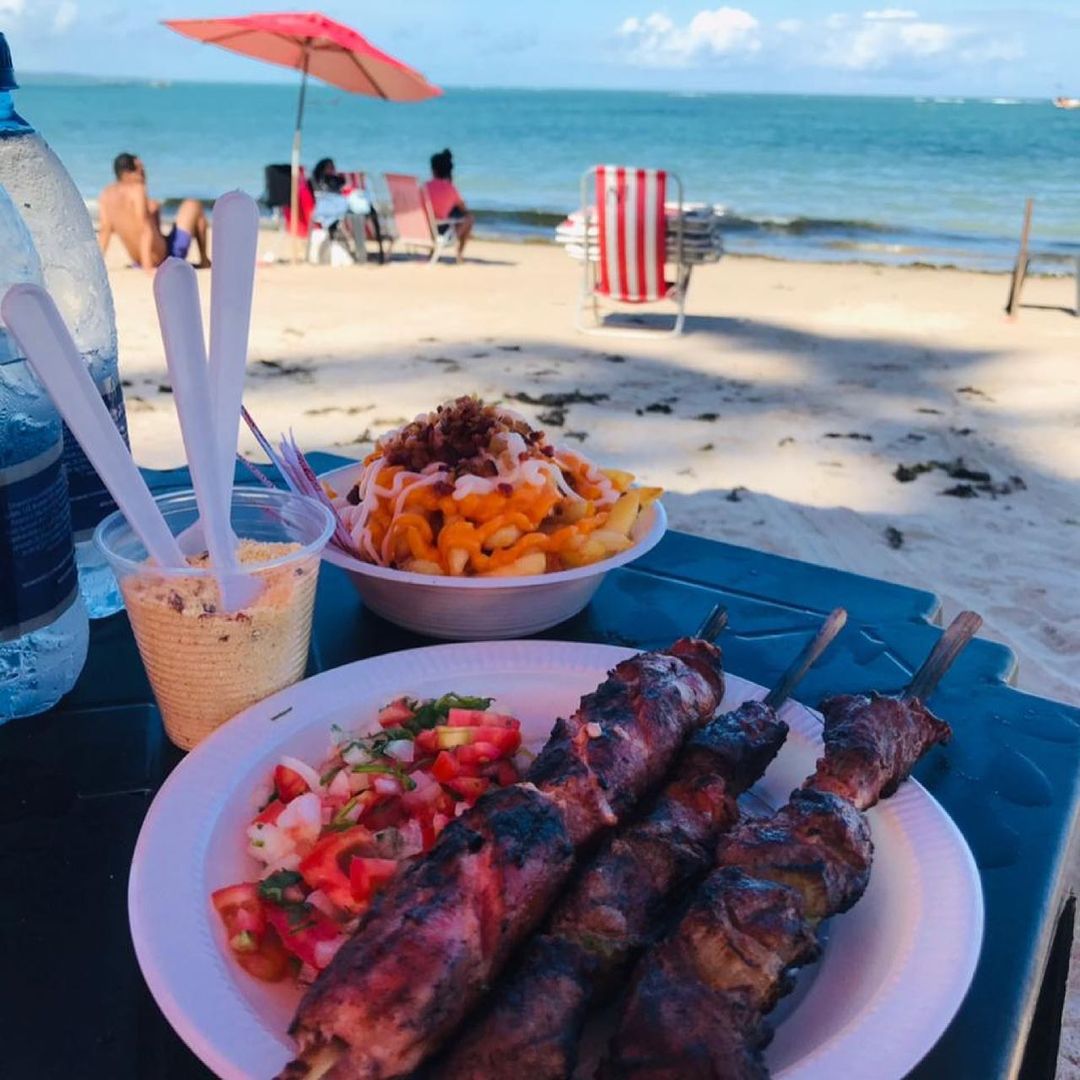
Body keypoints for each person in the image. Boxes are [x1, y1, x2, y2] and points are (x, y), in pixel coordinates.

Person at [97, 152, 210, 272]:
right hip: (165, 258)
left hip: (139, 260)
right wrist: (148, 266)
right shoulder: (136, 189)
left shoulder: (106, 195)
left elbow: (105, 230)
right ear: (127, 174)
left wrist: (97, 264)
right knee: (193, 204)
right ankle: (204, 261)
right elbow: (145, 228)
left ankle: (204, 260)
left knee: (153, 207)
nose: (144, 175)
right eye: (140, 170)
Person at [310, 157, 385, 264]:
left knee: (359, 213)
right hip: (339, 213)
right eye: (330, 167)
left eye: (333, 167)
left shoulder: (325, 181)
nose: (333, 170)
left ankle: (362, 253)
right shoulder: (323, 182)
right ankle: (362, 254)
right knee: (361, 214)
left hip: (336, 215)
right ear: (322, 169)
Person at [423, 148, 474, 263]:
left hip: (423, 228)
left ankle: (432, 251)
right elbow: (464, 209)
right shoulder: (450, 189)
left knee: (449, 213)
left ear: (432, 169)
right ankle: (459, 255)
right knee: (469, 218)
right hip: (439, 230)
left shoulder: (424, 187)